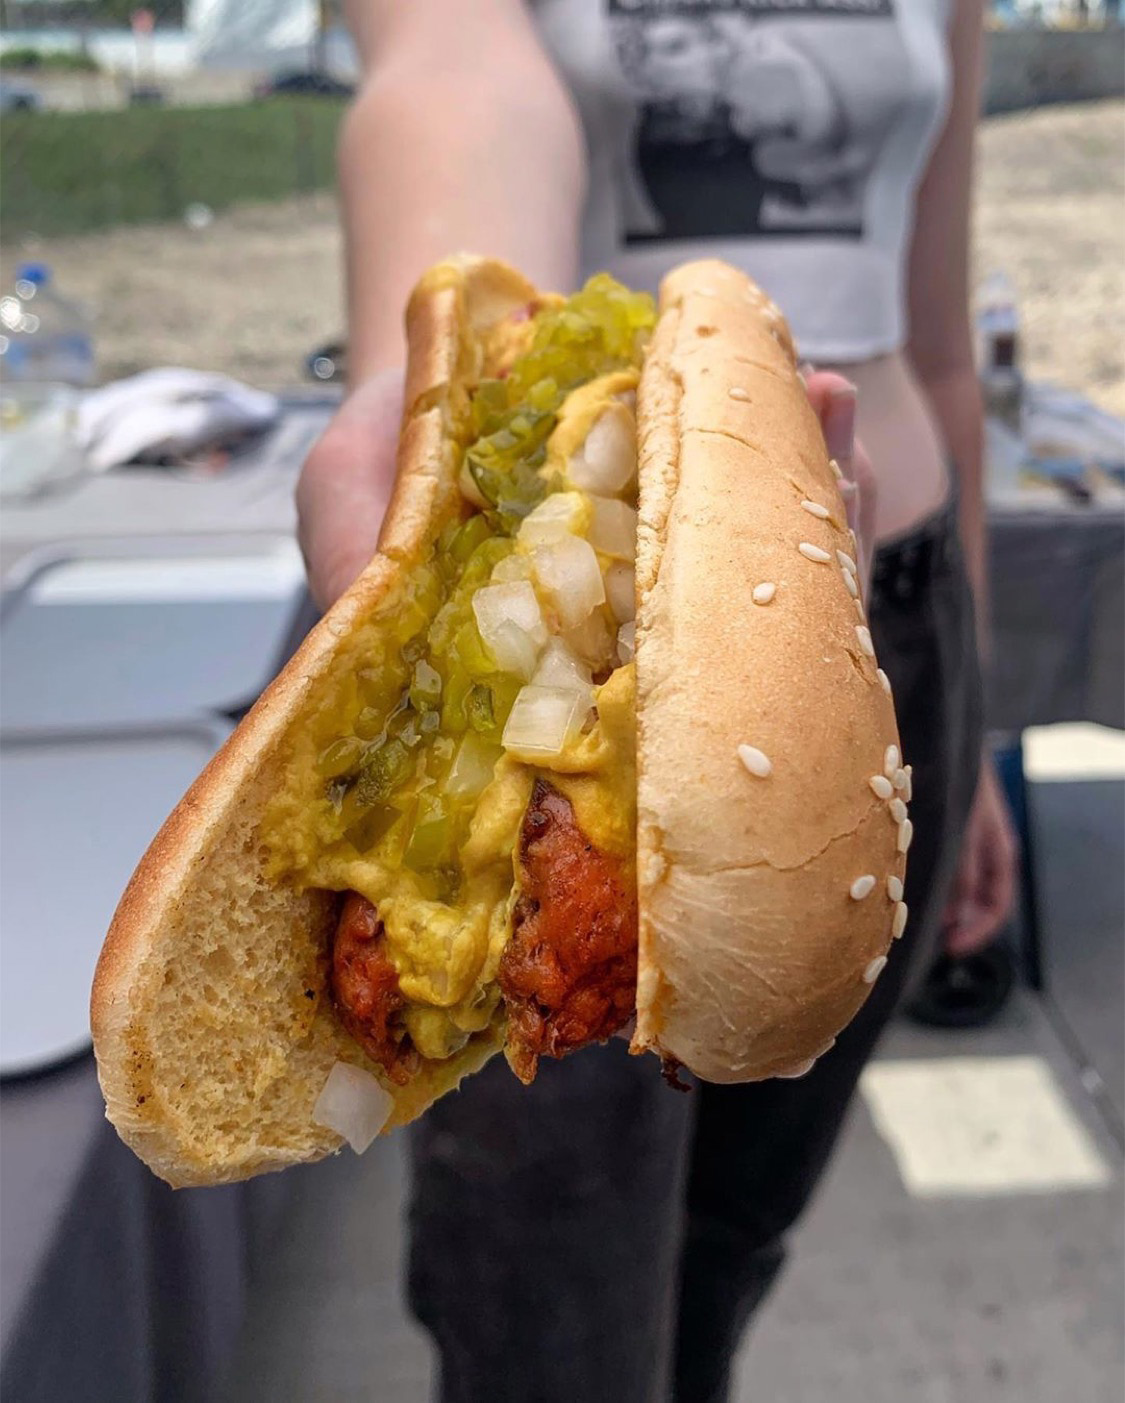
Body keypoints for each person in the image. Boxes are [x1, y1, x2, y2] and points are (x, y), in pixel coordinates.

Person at [296, 3, 1018, 1399]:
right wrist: (429, 396)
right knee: (548, 1316)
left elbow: (934, 347)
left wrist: (971, 739)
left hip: (896, 640)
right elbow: (456, 73)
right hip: (553, 712)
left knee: (731, 1239)